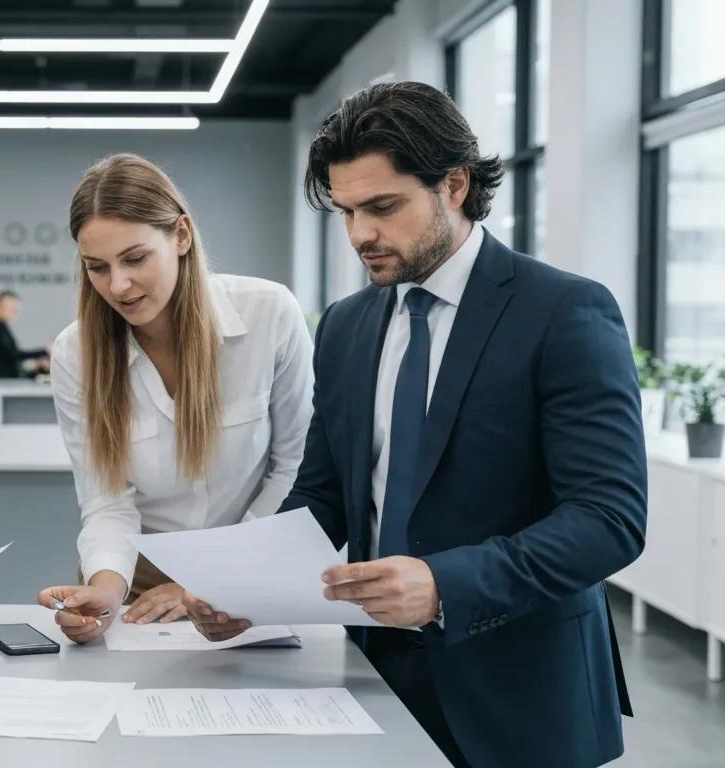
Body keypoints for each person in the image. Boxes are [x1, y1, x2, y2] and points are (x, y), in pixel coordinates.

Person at [184, 82, 646, 767]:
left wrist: (444, 585)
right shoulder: (345, 326)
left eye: (382, 207)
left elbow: (609, 519)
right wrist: (247, 588)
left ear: (454, 186)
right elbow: (323, 494)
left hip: (523, 694)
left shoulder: (564, 312)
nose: (360, 235)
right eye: (346, 212)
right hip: (376, 677)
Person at [35, 154, 313, 643]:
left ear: (181, 235)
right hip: (139, 581)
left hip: (251, 566)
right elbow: (106, 500)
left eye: (135, 258)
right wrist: (105, 592)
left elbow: (294, 468)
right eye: (97, 267)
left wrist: (211, 581)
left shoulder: (269, 315)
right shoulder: (76, 353)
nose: (118, 285)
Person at [0, 289, 49, 378]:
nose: (15, 313)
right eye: (12, 309)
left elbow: (10, 357)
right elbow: (13, 355)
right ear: (0, 307)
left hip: (6, 376)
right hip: (3, 379)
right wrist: (44, 352)